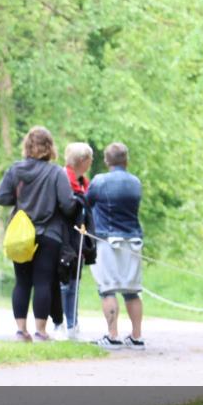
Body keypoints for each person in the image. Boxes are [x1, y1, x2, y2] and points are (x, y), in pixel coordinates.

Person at [0, 126, 78, 342]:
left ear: (27, 146)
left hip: (21, 235)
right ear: (50, 147)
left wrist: (19, 198)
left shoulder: (15, 170)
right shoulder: (56, 172)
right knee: (43, 282)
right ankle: (41, 332)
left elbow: (2, 198)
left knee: (22, 282)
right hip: (49, 233)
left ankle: (21, 331)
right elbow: (68, 204)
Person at [86, 142, 145, 350]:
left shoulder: (100, 181)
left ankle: (113, 335)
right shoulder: (135, 182)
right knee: (132, 291)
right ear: (126, 160)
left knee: (108, 289)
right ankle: (136, 337)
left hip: (107, 241)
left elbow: (87, 202)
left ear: (106, 160)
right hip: (133, 241)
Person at [55, 142, 94, 337]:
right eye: (90, 159)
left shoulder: (84, 183)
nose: (91, 162)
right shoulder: (62, 178)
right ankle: (60, 323)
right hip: (64, 237)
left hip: (79, 239)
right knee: (64, 282)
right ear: (82, 160)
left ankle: (73, 324)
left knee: (74, 284)